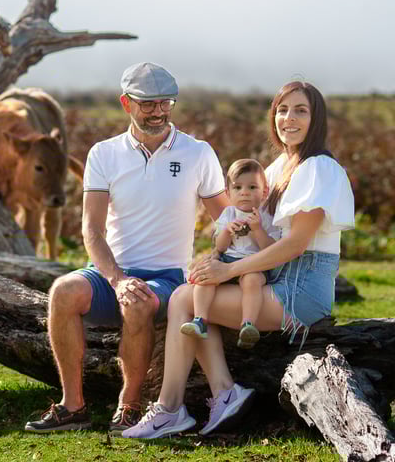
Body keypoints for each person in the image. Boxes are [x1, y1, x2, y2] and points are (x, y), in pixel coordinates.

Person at [123, 80, 355, 439]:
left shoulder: (318, 167)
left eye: (300, 110)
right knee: (194, 293)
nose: (288, 118)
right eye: (281, 109)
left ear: (317, 118)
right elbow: (251, 229)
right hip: (275, 278)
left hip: (301, 289)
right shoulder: (279, 167)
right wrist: (218, 256)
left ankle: (172, 408)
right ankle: (222, 394)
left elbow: (295, 245)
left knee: (184, 298)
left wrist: (228, 269)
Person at [24, 62, 230, 434]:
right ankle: (73, 407)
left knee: (137, 302)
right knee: (62, 291)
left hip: (166, 278)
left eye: (165, 102)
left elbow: (227, 219)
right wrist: (117, 279)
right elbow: (92, 229)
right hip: (110, 273)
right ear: (126, 103)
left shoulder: (198, 153)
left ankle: (130, 405)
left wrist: (219, 259)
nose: (158, 111)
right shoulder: (104, 154)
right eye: (147, 104)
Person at [180, 159, 282, 350]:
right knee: (205, 277)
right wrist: (226, 231)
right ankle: (200, 319)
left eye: (252, 187)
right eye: (237, 188)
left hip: (254, 264)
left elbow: (270, 248)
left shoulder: (267, 216)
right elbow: (220, 247)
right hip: (227, 260)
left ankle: (248, 324)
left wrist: (258, 229)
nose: (244, 192)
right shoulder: (228, 214)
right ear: (228, 193)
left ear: (264, 192)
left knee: (252, 282)